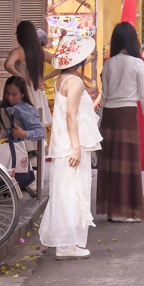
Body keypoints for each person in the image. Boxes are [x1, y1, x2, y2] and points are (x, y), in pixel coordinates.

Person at [38, 36, 102, 259]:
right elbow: (70, 116)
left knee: (66, 190)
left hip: (66, 143)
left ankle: (67, 242)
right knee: (73, 191)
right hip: (72, 144)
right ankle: (67, 244)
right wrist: (76, 147)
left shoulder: (62, 79)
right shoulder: (74, 82)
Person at [97, 23, 144, 222]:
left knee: (112, 163)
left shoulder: (108, 64)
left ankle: (113, 211)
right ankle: (128, 212)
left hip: (109, 117)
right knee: (128, 163)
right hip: (128, 115)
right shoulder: (137, 63)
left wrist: (100, 121)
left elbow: (104, 96)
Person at [0, 76, 46, 192]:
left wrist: (24, 134)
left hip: (17, 150)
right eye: (7, 93)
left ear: (22, 94)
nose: (9, 97)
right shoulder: (1, 105)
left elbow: (41, 132)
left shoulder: (27, 110)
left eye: (14, 94)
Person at [5, 20, 53, 128]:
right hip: (37, 90)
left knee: (21, 122)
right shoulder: (41, 52)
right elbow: (60, 66)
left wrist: (21, 77)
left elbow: (7, 65)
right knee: (37, 123)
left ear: (20, 36)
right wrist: (44, 78)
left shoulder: (17, 52)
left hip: (22, 90)